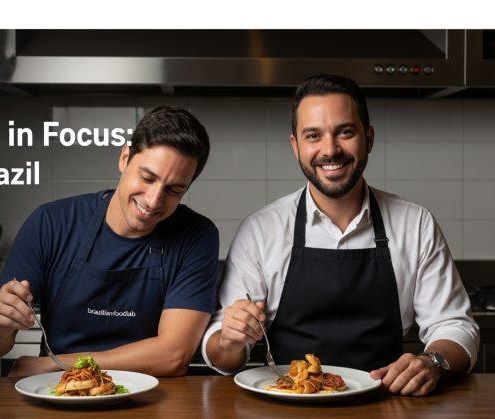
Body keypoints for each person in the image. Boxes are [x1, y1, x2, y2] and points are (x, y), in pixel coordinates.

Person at [202, 74, 479, 396]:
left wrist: (433, 360)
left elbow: (455, 325)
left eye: (345, 132)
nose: (330, 150)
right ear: (296, 146)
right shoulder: (262, 230)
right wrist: (230, 338)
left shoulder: (415, 224)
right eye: (313, 135)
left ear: (369, 137)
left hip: (387, 402)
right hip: (288, 403)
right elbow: (224, 357)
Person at [0, 106, 219, 377]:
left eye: (174, 190)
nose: (153, 200)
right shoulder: (52, 223)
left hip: (151, 398)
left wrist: (55, 364)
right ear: (125, 158)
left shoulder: (196, 236)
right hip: (58, 392)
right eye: (147, 178)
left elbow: (173, 356)